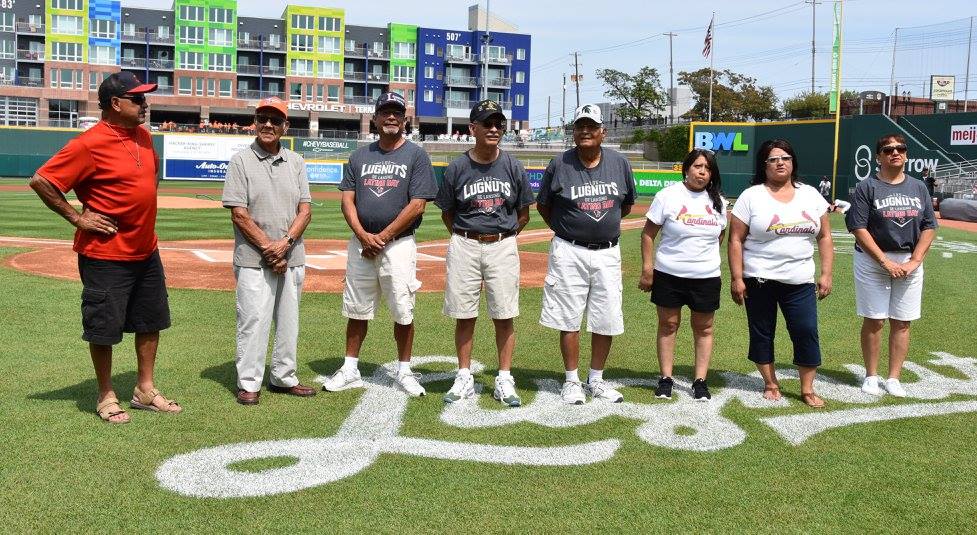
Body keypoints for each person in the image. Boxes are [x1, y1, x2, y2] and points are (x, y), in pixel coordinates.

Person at [28, 72, 181, 424]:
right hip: (106, 254)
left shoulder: (143, 136)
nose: (145, 104)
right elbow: (42, 180)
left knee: (150, 320)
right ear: (115, 103)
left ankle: (145, 389)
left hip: (146, 249)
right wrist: (77, 218)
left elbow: (148, 179)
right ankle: (106, 394)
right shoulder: (89, 143)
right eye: (138, 99)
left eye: (145, 99)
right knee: (104, 326)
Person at [322, 92, 438, 397]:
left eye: (396, 113)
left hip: (398, 245)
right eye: (384, 112)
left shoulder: (416, 155)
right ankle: (350, 368)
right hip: (362, 244)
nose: (391, 117)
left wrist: (382, 237)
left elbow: (418, 205)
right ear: (374, 119)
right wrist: (363, 235)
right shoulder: (360, 156)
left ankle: (404, 370)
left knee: (403, 309)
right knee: (356, 308)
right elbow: (347, 200)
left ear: (404, 120)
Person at [436, 100, 535, 406]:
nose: (494, 129)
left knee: (504, 314)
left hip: (503, 243)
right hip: (465, 242)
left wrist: (502, 237)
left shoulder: (513, 166)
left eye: (498, 124)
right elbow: (447, 213)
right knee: (464, 314)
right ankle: (464, 376)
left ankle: (504, 378)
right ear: (472, 128)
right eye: (487, 123)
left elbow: (523, 214)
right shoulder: (456, 167)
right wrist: (469, 235)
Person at [537, 103, 636, 405]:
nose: (585, 131)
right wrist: (568, 230)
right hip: (569, 250)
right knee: (569, 317)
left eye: (591, 127)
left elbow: (626, 204)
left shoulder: (619, 163)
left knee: (605, 317)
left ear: (602, 132)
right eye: (580, 126)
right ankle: (571, 381)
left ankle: (596, 379)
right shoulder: (560, 163)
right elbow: (544, 205)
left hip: (607, 253)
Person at [221, 96, 317, 405]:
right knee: (253, 321)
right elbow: (239, 213)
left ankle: (283, 376)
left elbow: (305, 210)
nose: (268, 124)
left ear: (285, 126)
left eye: (275, 120)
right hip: (253, 259)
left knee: (289, 322)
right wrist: (269, 249)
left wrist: (285, 245)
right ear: (255, 122)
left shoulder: (296, 161)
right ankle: (249, 382)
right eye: (262, 118)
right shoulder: (241, 161)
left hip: (292, 255)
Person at [728, 139, 834, 408]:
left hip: (799, 279)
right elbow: (736, 239)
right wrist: (737, 278)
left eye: (785, 158)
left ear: (793, 162)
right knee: (763, 332)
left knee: (806, 330)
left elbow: (825, 236)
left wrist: (826, 273)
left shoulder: (810, 194)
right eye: (773, 159)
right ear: (764, 166)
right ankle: (770, 383)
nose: (780, 163)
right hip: (759, 278)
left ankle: (807, 389)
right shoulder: (751, 196)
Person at [846, 134, 937, 397]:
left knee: (902, 321)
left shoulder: (919, 187)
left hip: (908, 261)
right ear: (879, 157)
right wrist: (885, 261)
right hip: (873, 260)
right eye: (888, 150)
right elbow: (858, 227)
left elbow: (929, 226)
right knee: (875, 319)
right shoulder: (868, 186)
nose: (895, 153)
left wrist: (915, 260)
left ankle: (894, 377)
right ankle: (872, 375)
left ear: (906, 154)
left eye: (900, 149)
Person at [638, 149, 727, 401]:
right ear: (686, 168)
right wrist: (648, 269)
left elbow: (720, 235)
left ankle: (700, 381)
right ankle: (666, 378)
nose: (702, 172)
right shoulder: (667, 196)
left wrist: (700, 258)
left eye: (708, 168)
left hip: (706, 276)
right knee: (668, 325)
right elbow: (648, 234)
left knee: (704, 328)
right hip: (669, 274)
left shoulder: (718, 200)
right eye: (698, 166)